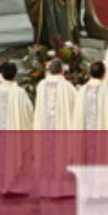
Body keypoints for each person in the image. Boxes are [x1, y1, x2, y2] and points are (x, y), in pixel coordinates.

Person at [0, 63, 34, 194]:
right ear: (15, 75)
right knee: (15, 155)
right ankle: (15, 185)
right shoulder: (19, 93)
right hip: (14, 134)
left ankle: (1, 183)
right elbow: (28, 111)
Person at [32, 59, 76, 197]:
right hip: (61, 131)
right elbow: (76, 106)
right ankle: (62, 189)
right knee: (62, 153)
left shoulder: (41, 86)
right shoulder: (67, 87)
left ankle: (47, 189)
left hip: (45, 131)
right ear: (62, 72)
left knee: (47, 155)